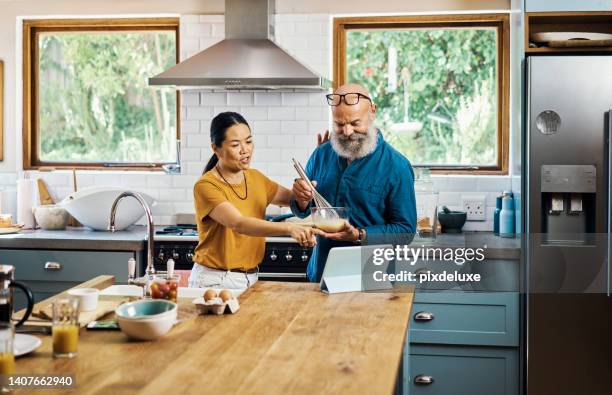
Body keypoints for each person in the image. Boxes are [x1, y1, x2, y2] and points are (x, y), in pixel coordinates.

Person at [291, 83, 417, 282]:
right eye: (339, 124)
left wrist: (360, 235)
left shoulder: (397, 166)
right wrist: (301, 199)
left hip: (370, 281)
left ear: (372, 112)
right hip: (321, 276)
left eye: (356, 123)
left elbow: (405, 231)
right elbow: (304, 211)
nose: (347, 131)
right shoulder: (321, 155)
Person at [189, 112, 321, 290]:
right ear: (216, 148)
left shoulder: (255, 178)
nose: (245, 150)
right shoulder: (206, 186)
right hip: (215, 280)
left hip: (250, 278)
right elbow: (239, 223)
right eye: (235, 144)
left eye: (249, 141)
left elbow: (294, 198)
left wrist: (319, 162)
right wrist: (290, 228)